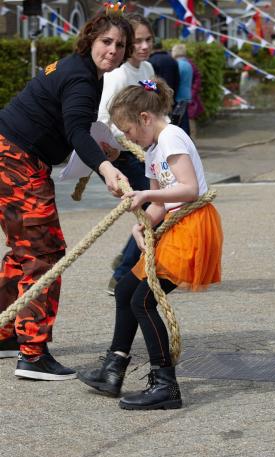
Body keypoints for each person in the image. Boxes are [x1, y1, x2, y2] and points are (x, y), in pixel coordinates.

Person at [0, 7, 133, 380]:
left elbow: (74, 124)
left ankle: (7, 333)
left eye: (120, 45)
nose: (113, 50)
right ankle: (33, 353)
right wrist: (107, 169)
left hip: (9, 155)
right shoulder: (82, 79)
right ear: (91, 38)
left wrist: (103, 147)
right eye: (107, 41)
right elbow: (76, 130)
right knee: (45, 252)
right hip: (15, 160)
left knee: (24, 251)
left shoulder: (78, 69)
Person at [77, 78, 223, 411]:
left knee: (143, 300)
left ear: (145, 118)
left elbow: (188, 190)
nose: (127, 138)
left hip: (192, 226)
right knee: (127, 289)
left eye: (127, 130)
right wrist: (141, 226)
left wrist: (145, 194)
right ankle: (113, 368)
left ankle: (165, 385)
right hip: (174, 226)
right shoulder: (153, 148)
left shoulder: (171, 137)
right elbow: (159, 204)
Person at [98, 14, 155, 295]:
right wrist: (118, 146)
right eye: (138, 41)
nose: (143, 46)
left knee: (154, 208)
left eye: (148, 40)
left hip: (144, 151)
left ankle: (126, 259)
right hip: (122, 155)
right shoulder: (117, 75)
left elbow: (154, 105)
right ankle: (122, 274)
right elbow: (103, 117)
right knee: (153, 209)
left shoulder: (147, 69)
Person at [148, 37, 180, 108]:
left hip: (156, 101)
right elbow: (177, 80)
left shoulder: (149, 62)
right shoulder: (172, 60)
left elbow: (149, 83)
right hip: (170, 98)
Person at [171, 43, 193, 136]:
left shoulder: (178, 64)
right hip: (187, 94)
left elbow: (176, 80)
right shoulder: (188, 64)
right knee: (184, 119)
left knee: (179, 121)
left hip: (179, 95)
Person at [187, 58, 205, 139]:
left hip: (188, 98)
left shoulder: (147, 67)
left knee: (190, 121)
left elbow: (150, 87)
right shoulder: (147, 66)